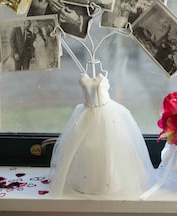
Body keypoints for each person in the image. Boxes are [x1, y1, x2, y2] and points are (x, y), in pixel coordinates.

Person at [49, 68, 156, 196]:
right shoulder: (84, 75)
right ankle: (87, 182)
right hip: (86, 113)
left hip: (107, 113)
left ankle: (112, 181)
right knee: (84, 148)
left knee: (109, 146)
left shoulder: (104, 73)